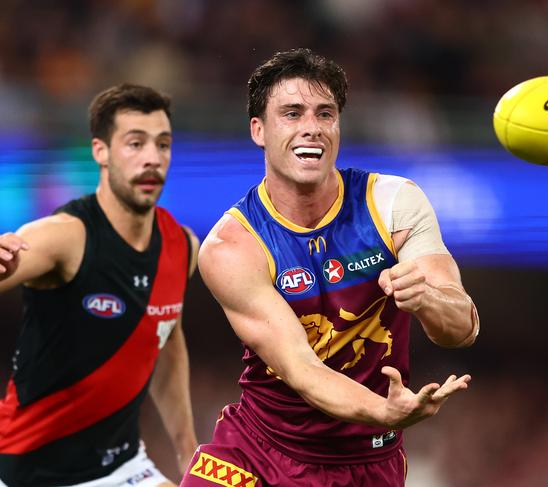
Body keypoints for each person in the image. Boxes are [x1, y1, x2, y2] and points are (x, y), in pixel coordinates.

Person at [181, 49, 479, 487]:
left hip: (367, 463)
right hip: (258, 450)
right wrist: (384, 411)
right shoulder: (232, 246)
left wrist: (428, 299)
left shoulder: (392, 204)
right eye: (292, 113)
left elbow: (462, 328)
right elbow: (302, 370)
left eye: (325, 113)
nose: (311, 128)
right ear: (258, 130)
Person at [0, 84, 199, 487]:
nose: (152, 158)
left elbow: (166, 340)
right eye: (135, 143)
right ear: (101, 151)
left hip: (120, 468)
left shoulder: (183, 246)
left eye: (163, 144)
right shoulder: (65, 237)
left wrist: (187, 453)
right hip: (23, 471)